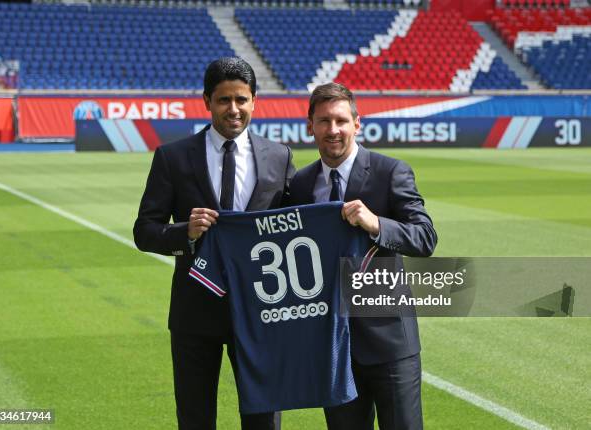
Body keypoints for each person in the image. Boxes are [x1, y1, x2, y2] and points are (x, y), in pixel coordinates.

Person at [133, 57, 294, 430]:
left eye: (241, 99)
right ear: (207, 101)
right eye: (224, 100)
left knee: (264, 419)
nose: (233, 109)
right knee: (195, 418)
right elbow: (144, 230)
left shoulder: (280, 157)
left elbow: (297, 228)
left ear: (254, 101)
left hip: (261, 313)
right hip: (195, 312)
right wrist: (183, 233)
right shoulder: (172, 158)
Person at [288, 83, 437, 430]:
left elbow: (425, 237)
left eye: (341, 120)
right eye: (323, 121)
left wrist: (376, 224)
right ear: (310, 126)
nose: (333, 130)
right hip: (333, 347)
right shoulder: (300, 184)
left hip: (390, 345)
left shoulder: (390, 171)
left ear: (357, 124)